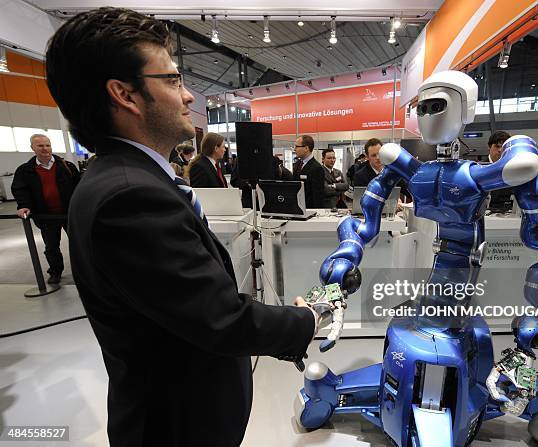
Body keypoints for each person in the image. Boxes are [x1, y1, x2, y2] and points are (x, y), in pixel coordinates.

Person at [45, 8, 318, 447]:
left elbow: (188, 301)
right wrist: (305, 319)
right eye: (172, 81)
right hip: (176, 427)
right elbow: (221, 318)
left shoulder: (128, 180)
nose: (189, 96)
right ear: (124, 94)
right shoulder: (129, 196)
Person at [11, 134, 79, 284]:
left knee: (78, 244)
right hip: (46, 216)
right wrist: (23, 205)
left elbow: (79, 187)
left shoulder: (67, 166)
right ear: (32, 148)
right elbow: (20, 189)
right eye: (40, 146)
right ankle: (55, 271)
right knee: (51, 247)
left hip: (69, 214)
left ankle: (83, 270)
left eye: (47, 145)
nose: (45, 149)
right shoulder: (25, 170)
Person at [293, 134, 325, 208]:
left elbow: (318, 196)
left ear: (306, 148)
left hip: (309, 210)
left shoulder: (317, 168)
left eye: (297, 146)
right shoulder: (297, 164)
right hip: (297, 207)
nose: (294, 149)